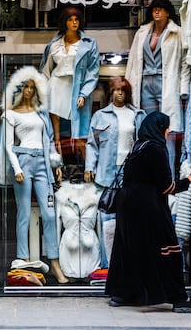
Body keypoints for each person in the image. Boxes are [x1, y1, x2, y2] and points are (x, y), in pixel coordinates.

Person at [105, 111, 191, 313]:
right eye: (166, 127)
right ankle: (178, 299)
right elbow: (166, 187)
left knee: (130, 249)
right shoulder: (157, 149)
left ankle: (122, 294)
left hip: (127, 205)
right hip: (149, 207)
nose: (168, 131)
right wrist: (190, 179)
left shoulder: (138, 146)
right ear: (158, 128)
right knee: (168, 249)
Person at [0, 66, 68, 284]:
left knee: (49, 214)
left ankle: (55, 262)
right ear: (20, 89)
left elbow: (48, 142)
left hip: (42, 163)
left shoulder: (41, 114)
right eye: (25, 87)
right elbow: (9, 146)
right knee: (24, 213)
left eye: (32, 87)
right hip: (23, 161)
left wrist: (55, 164)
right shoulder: (10, 114)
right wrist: (17, 169)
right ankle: (23, 259)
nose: (29, 91)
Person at [125, 0, 191, 178]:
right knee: (146, 128)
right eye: (155, 9)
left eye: (161, 9)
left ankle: (166, 174)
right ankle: (147, 171)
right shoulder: (142, 33)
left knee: (167, 131)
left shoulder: (176, 33)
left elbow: (185, 63)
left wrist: (183, 88)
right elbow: (133, 61)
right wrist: (128, 86)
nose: (157, 12)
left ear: (168, 12)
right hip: (144, 83)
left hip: (166, 84)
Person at [84, 76, 146, 268]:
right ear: (111, 92)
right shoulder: (100, 116)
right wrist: (89, 167)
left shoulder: (137, 115)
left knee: (130, 219)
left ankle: (128, 263)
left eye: (123, 90)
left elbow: (144, 144)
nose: (120, 93)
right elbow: (92, 144)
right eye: (117, 90)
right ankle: (107, 264)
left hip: (131, 172)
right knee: (107, 219)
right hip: (106, 173)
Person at [39, 6, 100, 159]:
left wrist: (84, 93)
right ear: (64, 22)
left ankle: (89, 169)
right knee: (55, 134)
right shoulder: (54, 45)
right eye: (70, 20)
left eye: (76, 19)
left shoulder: (88, 43)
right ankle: (56, 169)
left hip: (76, 89)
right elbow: (46, 70)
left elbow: (93, 71)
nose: (74, 23)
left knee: (80, 135)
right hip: (55, 86)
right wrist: (40, 92)